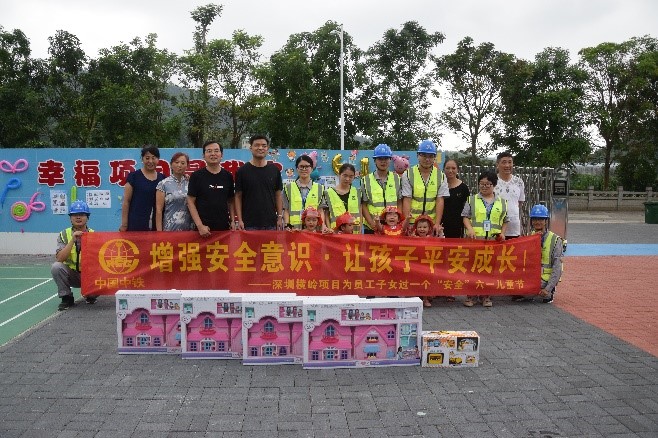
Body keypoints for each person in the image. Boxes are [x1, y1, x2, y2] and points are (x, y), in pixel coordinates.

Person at [462, 171, 509, 308]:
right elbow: (465, 216)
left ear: (494, 185)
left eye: (488, 184)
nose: (484, 187)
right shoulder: (472, 199)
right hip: (475, 240)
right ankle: (471, 296)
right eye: (481, 184)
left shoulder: (502, 202)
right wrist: (470, 229)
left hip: (492, 242)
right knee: (473, 268)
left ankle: (486, 296)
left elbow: (506, 220)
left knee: (489, 269)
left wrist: (502, 233)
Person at [51, 200, 96, 311]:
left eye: (82, 214)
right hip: (71, 275)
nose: (78, 217)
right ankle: (66, 297)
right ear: (70, 218)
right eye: (75, 215)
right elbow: (60, 258)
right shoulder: (64, 234)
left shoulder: (94, 235)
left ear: (87, 217)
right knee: (56, 267)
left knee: (99, 275)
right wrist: (72, 240)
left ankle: (90, 294)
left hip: (88, 276)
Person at [235, 135, 284, 231]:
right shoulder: (242, 171)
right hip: (248, 224)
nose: (260, 148)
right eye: (257, 145)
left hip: (271, 223)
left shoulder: (274, 170)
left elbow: (278, 195)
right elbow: (238, 196)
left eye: (264, 146)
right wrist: (240, 220)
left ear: (267, 148)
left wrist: (279, 217)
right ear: (251, 148)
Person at [401, 140, 449, 236]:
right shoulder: (408, 174)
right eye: (424, 155)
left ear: (434, 157)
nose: (427, 159)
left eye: (431, 156)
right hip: (413, 223)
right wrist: (407, 222)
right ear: (418, 155)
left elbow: (440, 200)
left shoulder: (440, 175)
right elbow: (407, 199)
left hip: (431, 223)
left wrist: (437, 223)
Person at [187, 141, 235, 236]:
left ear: (221, 155)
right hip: (202, 230)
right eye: (209, 151)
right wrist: (200, 226)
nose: (213, 154)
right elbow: (190, 202)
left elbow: (231, 201)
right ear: (203, 156)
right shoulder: (196, 176)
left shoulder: (228, 176)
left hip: (224, 229)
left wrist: (233, 220)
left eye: (216, 151)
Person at [119, 145, 166, 231]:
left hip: (157, 226)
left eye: (153, 158)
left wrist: (185, 177)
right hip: (136, 224)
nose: (150, 161)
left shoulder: (163, 178)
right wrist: (124, 225)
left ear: (158, 159)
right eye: (147, 158)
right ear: (142, 159)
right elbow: (126, 202)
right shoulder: (134, 177)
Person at [361, 144, 402, 234]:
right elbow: (363, 205)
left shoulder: (396, 178)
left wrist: (398, 220)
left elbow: (399, 202)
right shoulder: (366, 180)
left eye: (386, 158)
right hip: (372, 227)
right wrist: (371, 223)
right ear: (375, 160)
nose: (383, 162)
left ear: (390, 160)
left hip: (392, 227)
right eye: (380, 159)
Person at [283, 155, 328, 232]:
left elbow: (320, 210)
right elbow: (286, 210)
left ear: (312, 168)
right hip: (294, 230)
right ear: (297, 169)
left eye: (307, 166)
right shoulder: (288, 188)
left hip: (313, 231)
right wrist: (287, 225)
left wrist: (323, 225)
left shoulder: (319, 188)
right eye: (301, 166)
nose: (304, 169)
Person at [529, 204, 563, 304]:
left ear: (546, 221)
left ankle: (549, 291)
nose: (537, 222)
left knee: (542, 293)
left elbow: (557, 267)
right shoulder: (529, 236)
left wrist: (548, 288)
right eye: (535, 219)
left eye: (540, 219)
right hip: (531, 277)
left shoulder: (555, 240)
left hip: (545, 279)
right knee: (516, 290)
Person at [155, 152, 193, 231]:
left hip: (189, 229)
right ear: (171, 164)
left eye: (183, 163)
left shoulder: (191, 183)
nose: (179, 165)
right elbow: (159, 210)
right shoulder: (163, 184)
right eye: (176, 162)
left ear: (187, 166)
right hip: (170, 228)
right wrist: (159, 232)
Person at [325, 163, 361, 233]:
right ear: (339, 175)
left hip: (354, 233)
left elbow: (360, 213)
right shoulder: (328, 193)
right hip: (336, 234)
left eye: (351, 176)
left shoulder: (357, 192)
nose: (347, 179)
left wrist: (359, 232)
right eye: (345, 175)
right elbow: (326, 214)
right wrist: (329, 229)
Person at [441, 158, 470, 238]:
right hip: (441, 226)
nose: (450, 171)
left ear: (458, 170)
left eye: (453, 168)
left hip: (458, 227)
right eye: (447, 168)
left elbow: (467, 209)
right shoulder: (440, 185)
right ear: (443, 169)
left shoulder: (463, 188)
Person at [411, 214, 435, 307]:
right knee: (415, 281)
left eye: (425, 227)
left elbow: (442, 243)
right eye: (419, 227)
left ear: (429, 228)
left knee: (426, 281)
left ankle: (425, 299)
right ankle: (415, 298)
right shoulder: (413, 238)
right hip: (415, 264)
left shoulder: (431, 239)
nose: (422, 229)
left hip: (427, 264)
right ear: (416, 228)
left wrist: (441, 233)